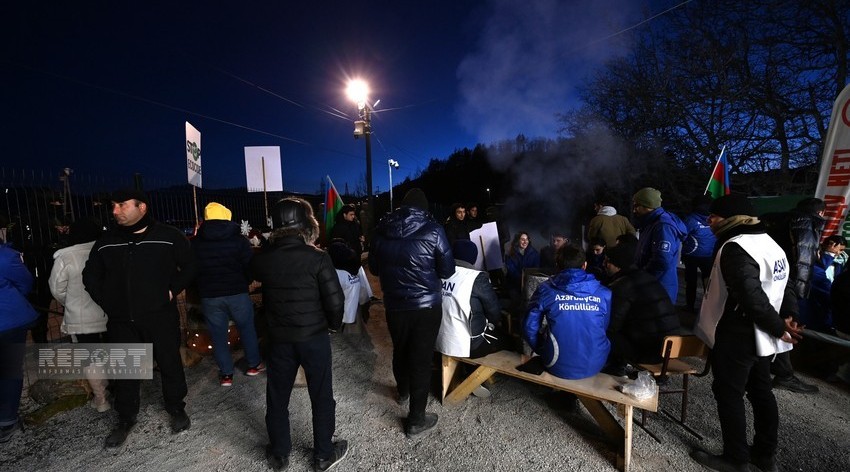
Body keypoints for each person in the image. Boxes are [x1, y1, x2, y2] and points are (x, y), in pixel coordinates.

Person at [691, 194, 802, 472]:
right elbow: (785, 286)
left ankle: (736, 459)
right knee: (761, 391)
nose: (709, 221)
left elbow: (750, 296)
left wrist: (780, 326)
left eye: (714, 217)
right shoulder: (770, 244)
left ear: (731, 219)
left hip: (738, 333)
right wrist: (788, 317)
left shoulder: (736, 247)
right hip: (763, 336)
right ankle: (764, 454)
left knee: (729, 393)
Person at [82, 189, 197, 448]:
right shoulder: (107, 241)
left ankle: (176, 408)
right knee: (126, 370)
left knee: (169, 363)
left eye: (121, 205)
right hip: (122, 320)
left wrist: (171, 290)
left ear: (141, 207)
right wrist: (108, 301)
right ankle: (125, 417)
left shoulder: (168, 236)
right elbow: (91, 275)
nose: (115, 211)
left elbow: (190, 265)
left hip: (160, 316)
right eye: (113, 205)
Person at [250, 197, 348, 471]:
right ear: (307, 224)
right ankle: (323, 455)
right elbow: (335, 300)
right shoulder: (318, 257)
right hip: (314, 337)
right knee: (321, 395)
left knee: (277, 396)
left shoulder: (264, 259)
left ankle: (280, 454)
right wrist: (332, 325)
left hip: (279, 338)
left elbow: (251, 270)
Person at [368, 188, 455, 438]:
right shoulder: (434, 230)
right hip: (426, 306)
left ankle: (403, 391)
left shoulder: (381, 230)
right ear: (424, 208)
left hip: (395, 304)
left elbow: (374, 268)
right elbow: (447, 271)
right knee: (421, 357)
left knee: (400, 348)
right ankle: (416, 418)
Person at [191, 202, 263, 387]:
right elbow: (250, 265)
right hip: (237, 292)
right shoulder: (239, 240)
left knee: (218, 335)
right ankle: (253, 365)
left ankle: (226, 375)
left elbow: (193, 269)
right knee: (247, 328)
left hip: (210, 295)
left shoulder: (197, 242)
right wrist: (245, 282)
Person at [763, 197, 825, 394]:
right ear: (820, 212)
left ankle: (778, 368)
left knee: (775, 321)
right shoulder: (806, 224)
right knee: (787, 322)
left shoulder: (780, 220)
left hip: (771, 276)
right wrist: (796, 294)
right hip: (787, 282)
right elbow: (803, 261)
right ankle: (784, 374)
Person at [48, 218, 111, 412]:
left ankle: (101, 400)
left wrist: (72, 302)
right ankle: (123, 389)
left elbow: (56, 288)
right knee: (115, 349)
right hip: (110, 311)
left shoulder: (66, 257)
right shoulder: (106, 250)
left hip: (81, 316)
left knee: (90, 356)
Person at [523, 245, 612, 380]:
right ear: (585, 265)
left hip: (556, 362)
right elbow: (603, 328)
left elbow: (529, 327)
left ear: (557, 266)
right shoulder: (604, 293)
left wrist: (542, 349)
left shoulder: (545, 290)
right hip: (596, 363)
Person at [602, 244, 680, 375]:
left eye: (608, 261)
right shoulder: (648, 278)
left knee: (602, 332)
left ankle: (614, 369)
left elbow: (613, 324)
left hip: (648, 351)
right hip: (670, 348)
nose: (604, 264)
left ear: (618, 265)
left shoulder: (622, 285)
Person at [436, 239, 510, 359]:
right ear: (473, 258)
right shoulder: (476, 278)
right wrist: (494, 323)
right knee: (507, 340)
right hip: (468, 345)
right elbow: (493, 310)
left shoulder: (439, 272)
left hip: (438, 338)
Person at [0, 240, 39, 443]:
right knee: (10, 370)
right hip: (8, 321)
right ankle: (7, 420)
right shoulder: (5, 256)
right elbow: (25, 282)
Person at [632, 187, 687, 304]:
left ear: (646, 205)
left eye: (636, 206)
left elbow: (661, 260)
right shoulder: (651, 222)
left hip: (659, 288)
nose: (634, 210)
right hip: (652, 286)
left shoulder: (663, 226)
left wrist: (643, 277)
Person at [681, 194, 716, 313]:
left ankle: (690, 306)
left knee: (691, 281)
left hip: (691, 255)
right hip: (708, 255)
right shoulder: (714, 218)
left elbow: (682, 235)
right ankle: (708, 308)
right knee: (708, 282)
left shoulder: (690, 219)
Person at [505, 231, 540, 296]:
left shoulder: (535, 254)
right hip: (514, 284)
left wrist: (527, 280)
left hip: (529, 284)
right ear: (517, 241)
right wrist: (522, 280)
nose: (525, 242)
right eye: (522, 239)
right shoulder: (510, 254)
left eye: (527, 239)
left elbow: (536, 270)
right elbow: (511, 271)